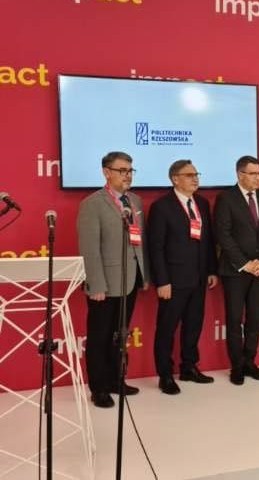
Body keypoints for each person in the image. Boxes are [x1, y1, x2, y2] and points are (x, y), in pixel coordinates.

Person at [77, 151, 149, 408]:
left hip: (131, 279)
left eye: (130, 170)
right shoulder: (92, 204)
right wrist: (95, 283)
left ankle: (115, 380)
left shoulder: (135, 201)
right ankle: (98, 388)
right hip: (105, 284)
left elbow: (139, 241)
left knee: (120, 335)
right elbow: (89, 248)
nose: (127, 175)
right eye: (122, 170)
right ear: (106, 172)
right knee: (99, 337)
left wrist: (144, 274)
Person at [148, 160, 218, 395]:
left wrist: (211, 270)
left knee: (193, 325)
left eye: (196, 174)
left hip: (198, 278)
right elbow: (156, 247)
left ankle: (189, 367)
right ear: (175, 179)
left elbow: (207, 241)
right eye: (189, 175)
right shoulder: (162, 207)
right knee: (167, 329)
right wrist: (162, 281)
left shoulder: (202, 203)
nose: (195, 178)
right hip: (173, 280)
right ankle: (165, 375)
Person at [215, 156, 259, 385]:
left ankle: (250, 362)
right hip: (236, 270)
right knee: (235, 320)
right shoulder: (226, 198)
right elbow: (223, 235)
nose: (258, 177)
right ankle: (237, 366)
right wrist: (246, 264)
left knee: (255, 318)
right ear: (240, 174)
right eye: (253, 174)